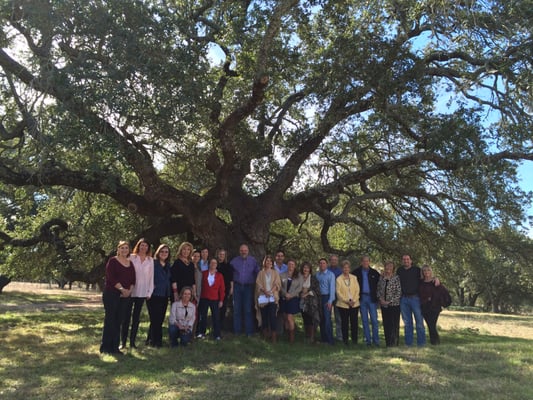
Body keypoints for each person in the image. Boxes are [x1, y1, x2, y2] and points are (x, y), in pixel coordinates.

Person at [100, 241, 135, 355]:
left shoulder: (130, 263)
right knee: (110, 320)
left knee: (119, 321)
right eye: (122, 248)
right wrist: (121, 289)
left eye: (126, 248)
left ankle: (115, 347)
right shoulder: (113, 261)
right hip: (111, 294)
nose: (124, 250)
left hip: (125, 296)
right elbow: (111, 278)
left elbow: (133, 279)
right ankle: (105, 347)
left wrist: (129, 291)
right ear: (118, 249)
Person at [122, 238, 153, 349]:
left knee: (136, 318)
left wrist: (149, 291)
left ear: (148, 248)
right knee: (126, 317)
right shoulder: (131, 257)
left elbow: (151, 278)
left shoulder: (150, 260)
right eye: (142, 245)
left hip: (142, 292)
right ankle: (123, 342)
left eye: (146, 246)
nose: (143, 247)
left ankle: (132, 342)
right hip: (130, 291)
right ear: (138, 246)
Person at [397, 254, 426, 346]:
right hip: (404, 299)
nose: (406, 261)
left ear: (411, 260)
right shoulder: (399, 270)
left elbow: (426, 277)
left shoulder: (417, 270)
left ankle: (421, 343)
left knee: (419, 322)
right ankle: (408, 343)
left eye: (407, 259)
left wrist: (435, 278)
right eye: (404, 259)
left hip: (415, 298)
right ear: (402, 261)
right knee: (407, 322)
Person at [231, 244, 260, 336]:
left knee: (248, 309)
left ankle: (249, 332)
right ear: (239, 251)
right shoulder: (234, 261)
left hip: (248, 287)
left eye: (245, 250)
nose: (243, 252)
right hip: (237, 287)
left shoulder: (253, 261)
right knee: (236, 309)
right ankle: (237, 331)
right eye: (242, 250)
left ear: (248, 251)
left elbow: (258, 273)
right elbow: (229, 273)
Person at [146, 244, 172, 348]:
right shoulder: (152, 263)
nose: (164, 253)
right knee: (155, 318)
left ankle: (150, 339)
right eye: (162, 251)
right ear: (158, 252)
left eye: (166, 252)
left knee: (160, 318)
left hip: (164, 295)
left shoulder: (168, 265)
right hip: (153, 294)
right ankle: (157, 341)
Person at [353, 255, 380, 347]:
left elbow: (379, 285)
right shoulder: (356, 272)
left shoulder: (374, 273)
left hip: (372, 298)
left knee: (374, 320)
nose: (365, 262)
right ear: (361, 262)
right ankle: (367, 341)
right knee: (364, 320)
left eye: (367, 261)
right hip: (361, 298)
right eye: (364, 261)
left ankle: (376, 341)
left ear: (369, 262)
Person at [419, 265, 449, 345]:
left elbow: (443, 292)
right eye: (424, 270)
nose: (426, 272)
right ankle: (434, 342)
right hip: (424, 307)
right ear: (422, 272)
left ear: (430, 271)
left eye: (428, 270)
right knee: (430, 325)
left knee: (432, 325)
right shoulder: (421, 282)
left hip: (434, 307)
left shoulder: (435, 281)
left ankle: (435, 342)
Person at [197, 258, 225, 340]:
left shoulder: (219, 276)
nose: (213, 264)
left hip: (215, 299)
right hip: (204, 298)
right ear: (209, 264)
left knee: (216, 317)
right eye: (212, 263)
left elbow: (222, 289)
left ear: (217, 265)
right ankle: (202, 333)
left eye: (215, 263)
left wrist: (221, 300)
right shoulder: (204, 273)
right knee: (203, 316)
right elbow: (200, 285)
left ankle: (217, 335)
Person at [255, 255, 281, 342]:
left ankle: (274, 338)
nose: (268, 262)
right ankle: (265, 336)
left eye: (270, 261)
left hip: (273, 298)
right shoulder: (260, 273)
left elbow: (277, 284)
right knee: (264, 317)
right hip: (263, 297)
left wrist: (271, 291)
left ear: (272, 263)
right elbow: (258, 284)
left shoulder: (275, 273)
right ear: (264, 262)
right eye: (267, 261)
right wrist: (265, 291)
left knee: (273, 317)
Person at [335, 260, 360, 345]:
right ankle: (345, 341)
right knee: (344, 323)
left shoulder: (354, 278)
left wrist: (354, 300)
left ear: (349, 268)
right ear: (342, 268)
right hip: (343, 305)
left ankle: (354, 341)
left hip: (354, 304)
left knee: (354, 323)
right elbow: (338, 293)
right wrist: (347, 301)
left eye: (347, 267)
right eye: (344, 267)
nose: (346, 269)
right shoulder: (338, 279)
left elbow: (357, 290)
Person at [377, 261, 401, 347]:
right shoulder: (381, 278)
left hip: (394, 305)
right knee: (386, 324)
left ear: (393, 268)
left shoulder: (396, 278)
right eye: (387, 267)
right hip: (384, 305)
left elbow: (398, 292)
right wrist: (380, 299)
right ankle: (388, 343)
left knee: (394, 325)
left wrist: (390, 301)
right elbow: (378, 290)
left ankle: (394, 343)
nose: (388, 269)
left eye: (390, 267)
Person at [279, 259, 303, 343]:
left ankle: (292, 338)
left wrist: (291, 295)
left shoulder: (299, 275)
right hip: (284, 298)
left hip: (293, 299)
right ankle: (287, 335)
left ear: (295, 266)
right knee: (285, 317)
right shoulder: (282, 275)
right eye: (289, 264)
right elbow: (280, 286)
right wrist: (285, 294)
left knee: (289, 317)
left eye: (293, 264)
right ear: (287, 265)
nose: (291, 266)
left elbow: (299, 288)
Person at [300, 261, 322, 343]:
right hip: (302, 302)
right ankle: (307, 336)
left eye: (307, 268)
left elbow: (317, 290)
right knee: (305, 319)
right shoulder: (299, 277)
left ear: (310, 269)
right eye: (304, 268)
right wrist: (301, 292)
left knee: (311, 319)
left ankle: (312, 337)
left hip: (311, 302)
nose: (306, 269)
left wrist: (308, 292)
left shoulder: (313, 278)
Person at [316, 257, 336, 345]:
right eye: (320, 263)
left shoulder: (330, 275)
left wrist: (330, 301)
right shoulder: (317, 275)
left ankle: (330, 340)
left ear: (326, 264)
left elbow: (332, 288)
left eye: (324, 263)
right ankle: (323, 339)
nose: (322, 265)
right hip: (319, 298)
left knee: (327, 319)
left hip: (327, 298)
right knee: (321, 319)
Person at [216, 248, 234, 332]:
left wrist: (231, 288)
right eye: (220, 254)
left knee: (223, 307)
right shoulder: (214, 264)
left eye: (223, 255)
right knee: (215, 308)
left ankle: (221, 326)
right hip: (214, 290)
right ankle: (215, 325)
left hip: (225, 289)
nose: (221, 256)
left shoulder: (228, 266)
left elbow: (231, 278)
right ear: (217, 255)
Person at [327, 254, 343, 342]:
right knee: (327, 317)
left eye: (335, 260)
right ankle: (329, 336)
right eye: (332, 260)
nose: (334, 261)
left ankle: (339, 337)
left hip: (337, 297)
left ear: (337, 261)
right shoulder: (326, 270)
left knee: (338, 317)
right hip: (328, 296)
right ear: (330, 261)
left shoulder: (340, 271)